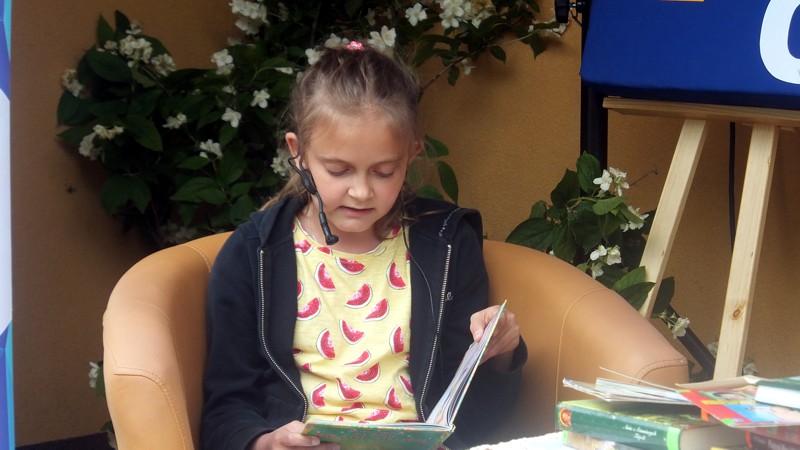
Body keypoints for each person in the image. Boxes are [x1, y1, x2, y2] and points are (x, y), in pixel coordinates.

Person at [201, 41, 527, 450]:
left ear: (411, 155)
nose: (360, 191)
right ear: (298, 153)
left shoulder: (445, 244)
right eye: (338, 170)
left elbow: (478, 415)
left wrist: (501, 352)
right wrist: (265, 442)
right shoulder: (254, 253)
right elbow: (225, 408)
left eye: (383, 172)